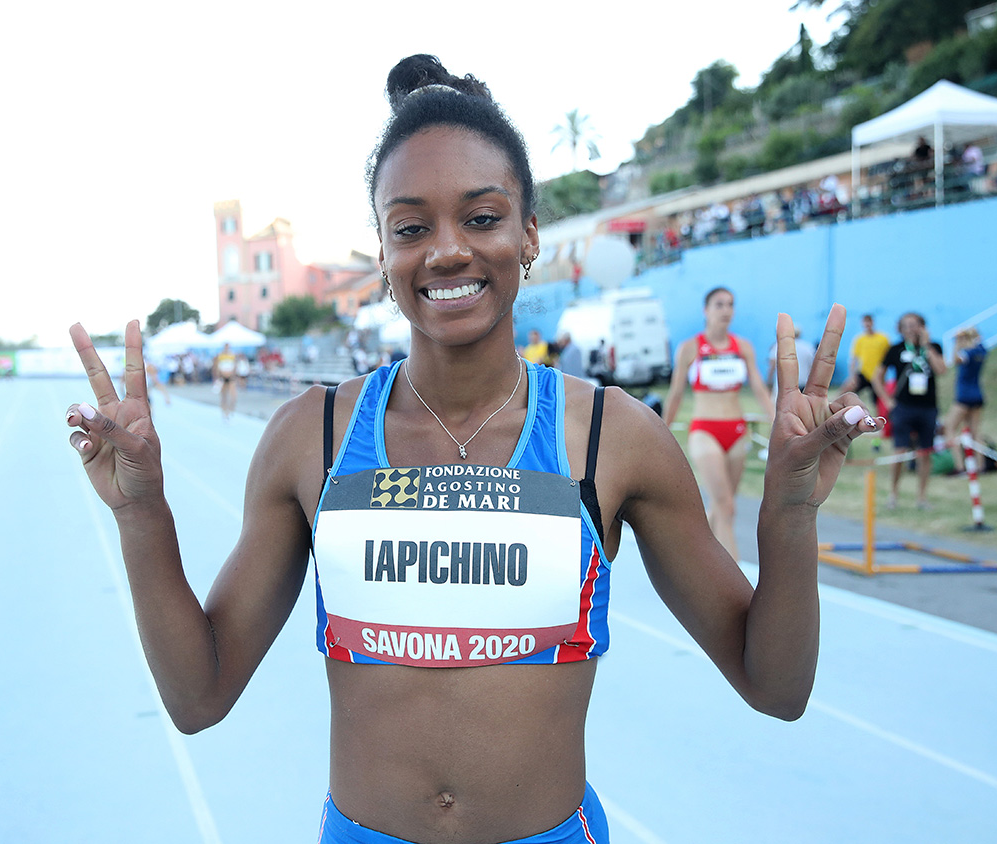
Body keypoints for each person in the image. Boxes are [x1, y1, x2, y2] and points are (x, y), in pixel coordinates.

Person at [65, 54, 879, 844]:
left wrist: (790, 512)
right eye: (411, 226)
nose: (447, 249)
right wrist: (141, 511)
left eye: (482, 217)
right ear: (383, 254)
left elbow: (775, 687)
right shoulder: (309, 440)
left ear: (529, 233)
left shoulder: (612, 437)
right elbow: (198, 697)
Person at [662, 287, 775, 560]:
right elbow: (676, 394)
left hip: (736, 431)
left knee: (723, 507)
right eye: (719, 304)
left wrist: (779, 423)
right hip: (704, 431)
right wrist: (661, 432)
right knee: (726, 507)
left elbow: (760, 389)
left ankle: (695, 560)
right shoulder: (690, 348)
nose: (726, 310)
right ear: (706, 310)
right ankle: (735, 583)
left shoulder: (743, 346)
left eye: (730, 304)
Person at [872, 312, 946, 509]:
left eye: (915, 325)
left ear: (922, 326)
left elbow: (941, 370)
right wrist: (887, 401)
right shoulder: (895, 349)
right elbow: (876, 376)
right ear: (900, 328)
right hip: (903, 407)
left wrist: (927, 345)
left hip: (928, 407)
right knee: (900, 451)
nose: (911, 329)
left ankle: (922, 497)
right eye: (906, 325)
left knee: (925, 452)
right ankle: (893, 494)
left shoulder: (933, 347)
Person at [945, 327, 988, 474]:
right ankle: (980, 465)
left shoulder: (968, 353)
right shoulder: (982, 351)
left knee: (950, 428)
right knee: (976, 432)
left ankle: (960, 466)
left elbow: (955, 360)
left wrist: (957, 343)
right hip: (977, 394)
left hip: (964, 396)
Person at [837, 313, 889, 404]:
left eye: (869, 322)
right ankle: (833, 406)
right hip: (864, 373)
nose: (867, 324)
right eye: (865, 322)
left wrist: (883, 375)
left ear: (873, 322)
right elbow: (853, 359)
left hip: (877, 375)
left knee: (880, 401)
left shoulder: (883, 338)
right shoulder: (860, 339)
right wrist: (852, 377)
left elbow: (888, 359)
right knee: (846, 390)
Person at [766, 324, 816, 399]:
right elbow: (812, 367)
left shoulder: (778, 346)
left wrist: (769, 382)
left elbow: (772, 366)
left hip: (784, 385)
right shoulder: (808, 347)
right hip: (803, 383)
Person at [212, 342, 237, 420]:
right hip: (222, 377)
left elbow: (235, 366)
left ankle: (231, 410)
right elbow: (216, 367)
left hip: (230, 376)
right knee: (224, 396)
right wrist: (216, 377)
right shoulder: (220, 355)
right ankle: (224, 411)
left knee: (233, 396)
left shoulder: (232, 355)